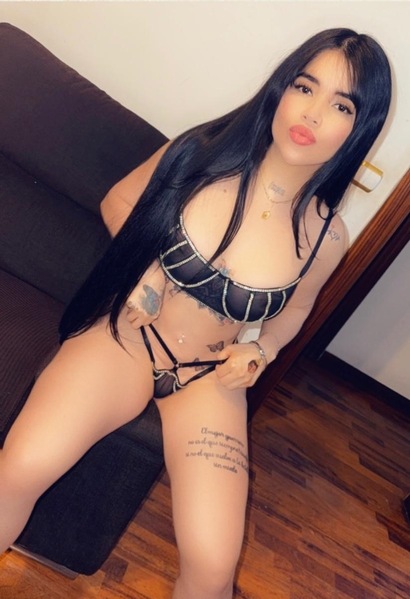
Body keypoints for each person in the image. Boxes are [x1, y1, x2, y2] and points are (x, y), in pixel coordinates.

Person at [0, 28, 391, 599]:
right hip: (129, 339)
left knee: (211, 569)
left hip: (207, 378)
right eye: (305, 87)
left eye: (341, 105)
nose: (312, 112)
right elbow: (119, 200)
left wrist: (261, 349)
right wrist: (146, 269)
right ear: (282, 88)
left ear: (359, 127)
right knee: (19, 470)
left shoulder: (327, 237)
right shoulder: (203, 152)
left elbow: (296, 309)